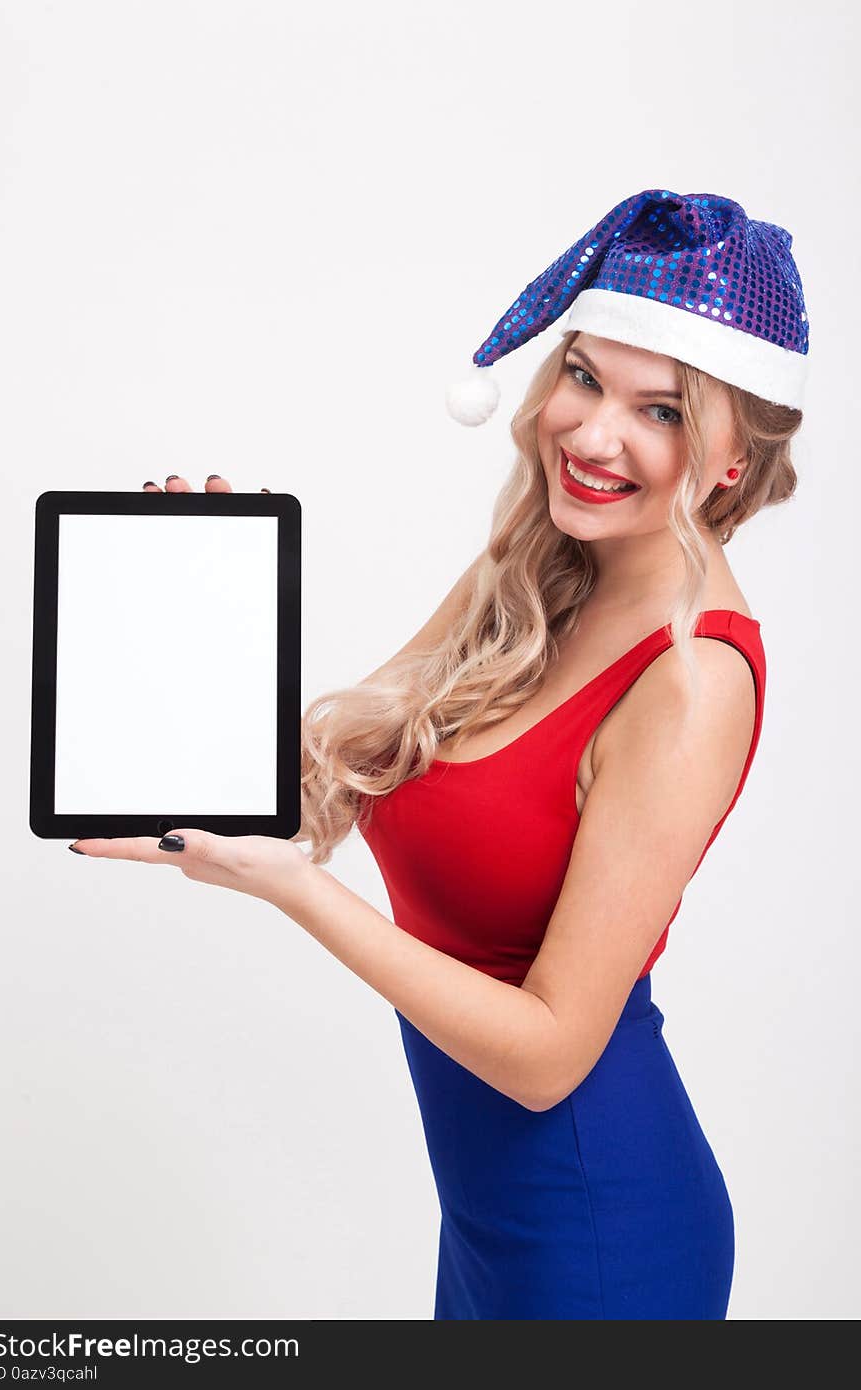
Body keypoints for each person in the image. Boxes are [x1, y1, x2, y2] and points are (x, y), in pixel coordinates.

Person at [136, 188, 807, 1319]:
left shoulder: (692, 679)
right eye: (584, 377)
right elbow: (319, 790)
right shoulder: (539, 568)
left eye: (664, 411)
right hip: (492, 1230)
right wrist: (220, 607)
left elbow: (547, 1054)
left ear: (736, 456)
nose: (594, 436)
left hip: (601, 1242)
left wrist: (300, 897)